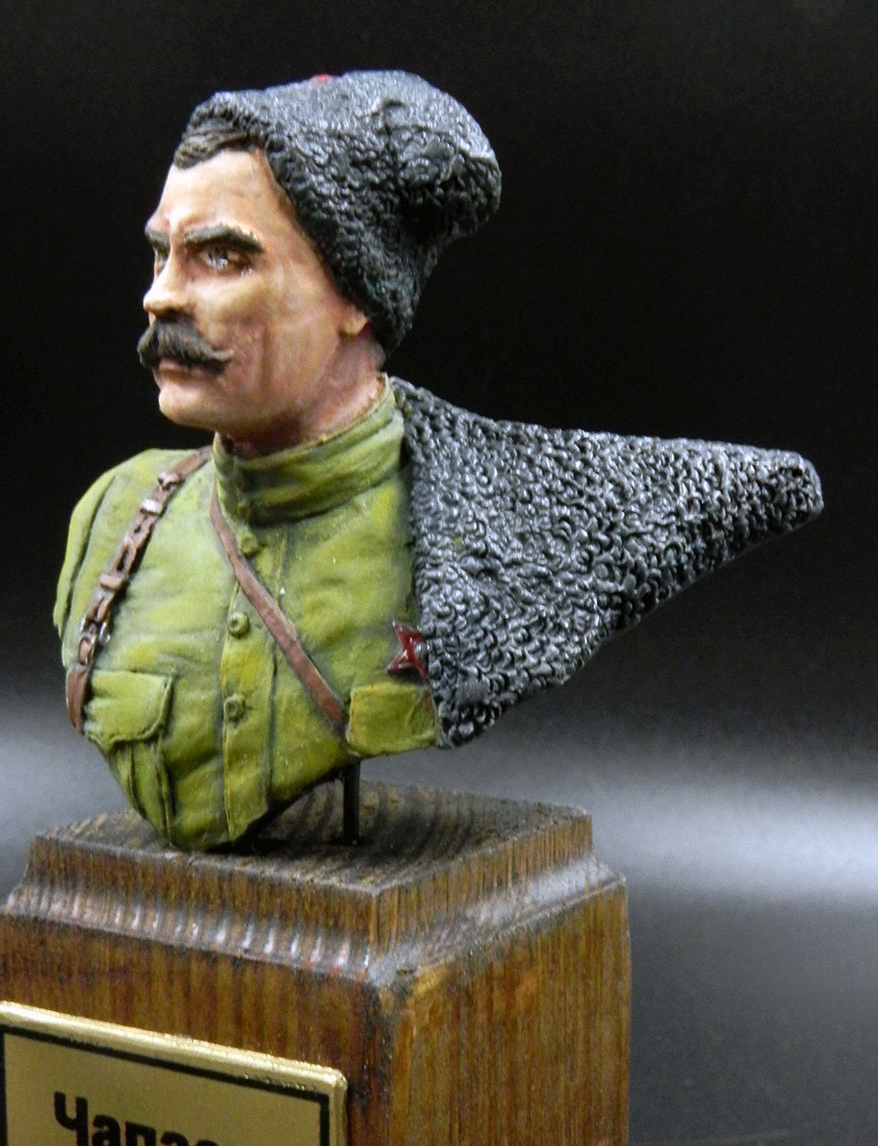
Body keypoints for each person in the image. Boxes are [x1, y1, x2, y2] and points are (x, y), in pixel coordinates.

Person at [55, 71, 822, 850]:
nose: (161, 297)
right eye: (162, 254)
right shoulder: (115, 518)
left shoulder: (495, 528)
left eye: (222, 258)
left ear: (356, 297)